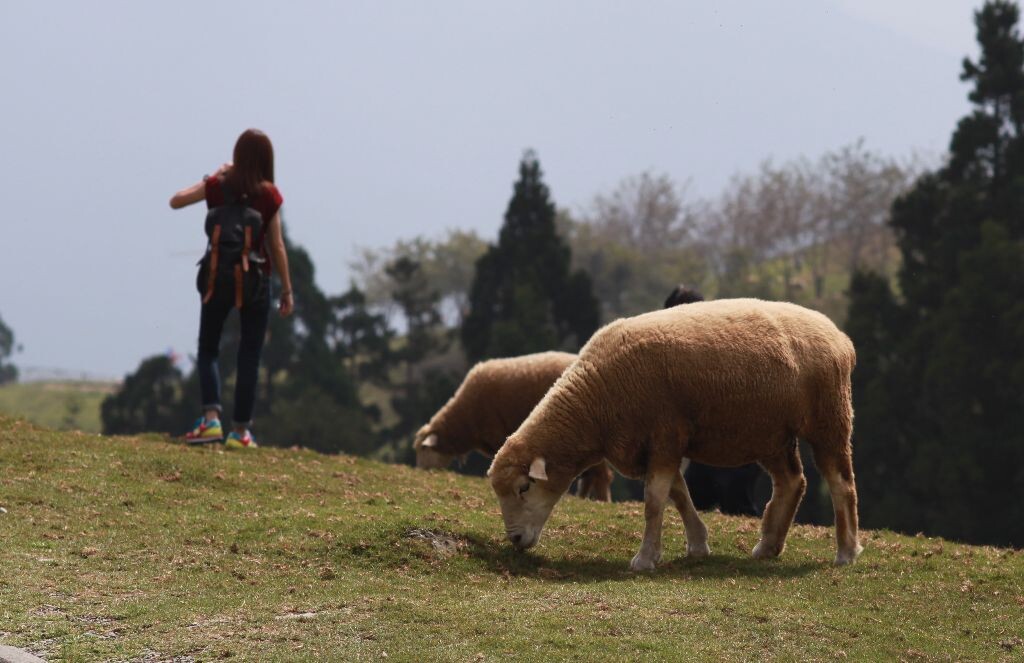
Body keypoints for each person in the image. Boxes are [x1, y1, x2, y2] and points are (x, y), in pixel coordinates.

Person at [169, 128, 294, 448]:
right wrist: (287, 290)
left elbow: (176, 201)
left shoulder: (218, 186)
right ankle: (240, 433)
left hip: (217, 276)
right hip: (257, 280)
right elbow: (276, 245)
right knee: (249, 355)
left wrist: (213, 176)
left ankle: (211, 421)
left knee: (208, 348)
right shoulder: (269, 194)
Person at [663, 285, 763, 516]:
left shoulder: (723, 342)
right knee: (690, 504)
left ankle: (761, 548)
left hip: (740, 444)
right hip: (709, 449)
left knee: (738, 509)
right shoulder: (684, 350)